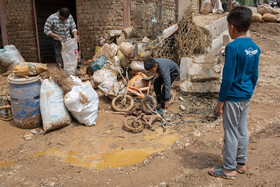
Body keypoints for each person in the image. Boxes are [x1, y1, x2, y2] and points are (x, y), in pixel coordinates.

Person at [208, 6, 261, 180]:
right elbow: (254, 75)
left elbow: (228, 77)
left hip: (233, 96)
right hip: (246, 94)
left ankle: (229, 168)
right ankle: (241, 163)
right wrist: (249, 90)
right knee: (242, 129)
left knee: (230, 131)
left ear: (231, 27)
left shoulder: (233, 48)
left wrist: (220, 100)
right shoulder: (254, 47)